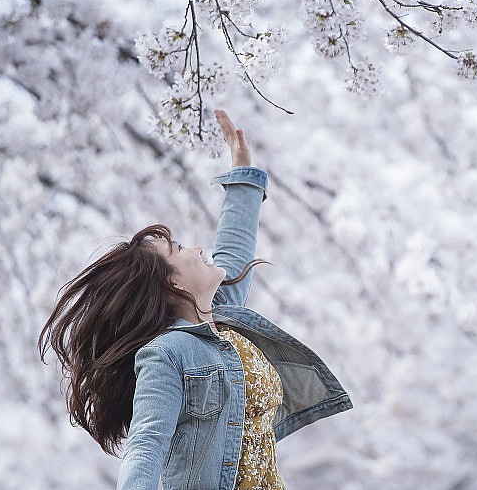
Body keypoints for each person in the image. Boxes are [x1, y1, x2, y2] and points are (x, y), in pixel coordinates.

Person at [39, 109, 353, 490]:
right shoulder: (166, 354)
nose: (199, 248)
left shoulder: (221, 322)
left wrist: (242, 172)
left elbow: (234, 249)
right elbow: (147, 442)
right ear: (172, 286)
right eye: (180, 248)